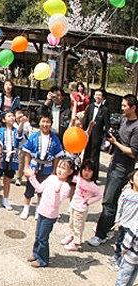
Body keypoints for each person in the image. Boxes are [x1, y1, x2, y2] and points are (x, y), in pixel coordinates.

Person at [88, 94, 138, 247]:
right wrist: (113, 137)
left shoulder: (136, 127)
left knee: (109, 201)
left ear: (133, 108)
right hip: (114, 164)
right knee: (110, 198)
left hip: (123, 169)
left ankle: (100, 235)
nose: (122, 108)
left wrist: (116, 143)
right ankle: (108, 226)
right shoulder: (124, 120)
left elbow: (133, 152)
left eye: (124, 106)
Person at [25, 157, 74, 267]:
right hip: (41, 211)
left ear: (70, 172)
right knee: (38, 235)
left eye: (64, 168)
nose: (60, 170)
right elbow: (39, 189)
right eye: (59, 167)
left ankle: (43, 260)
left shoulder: (65, 187)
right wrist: (32, 177)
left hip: (50, 215)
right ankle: (36, 253)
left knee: (43, 237)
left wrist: (57, 192)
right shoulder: (52, 178)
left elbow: (56, 203)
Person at [20, 111, 64, 220]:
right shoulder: (33, 136)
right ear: (39, 123)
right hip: (34, 167)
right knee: (29, 189)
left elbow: (57, 156)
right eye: (43, 121)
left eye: (48, 122)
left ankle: (38, 210)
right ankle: (26, 208)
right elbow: (27, 153)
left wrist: (54, 172)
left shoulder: (55, 139)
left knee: (43, 192)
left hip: (47, 169)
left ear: (51, 123)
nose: (45, 124)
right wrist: (26, 167)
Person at [60, 159, 102, 251]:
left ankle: (76, 242)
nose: (86, 172)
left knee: (78, 226)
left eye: (89, 170)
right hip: (74, 205)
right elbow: (71, 177)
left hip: (81, 209)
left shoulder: (92, 186)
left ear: (93, 173)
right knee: (71, 223)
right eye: (84, 169)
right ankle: (71, 236)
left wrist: (89, 201)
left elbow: (100, 195)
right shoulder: (79, 179)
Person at [0, 111, 25, 211]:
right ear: (4, 119)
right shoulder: (0, 131)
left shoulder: (16, 130)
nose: (12, 118)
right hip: (2, 156)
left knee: (7, 180)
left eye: (13, 116)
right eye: (9, 116)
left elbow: (20, 136)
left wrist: (22, 123)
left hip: (12, 157)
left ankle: (6, 199)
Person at [103, 214, 138, 286]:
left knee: (123, 278)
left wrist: (123, 249)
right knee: (132, 277)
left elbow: (128, 240)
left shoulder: (136, 224)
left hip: (131, 256)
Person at [107, 169, 138, 270]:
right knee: (119, 242)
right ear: (132, 180)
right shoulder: (126, 193)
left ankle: (120, 262)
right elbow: (119, 207)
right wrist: (117, 221)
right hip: (123, 224)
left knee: (128, 245)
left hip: (133, 227)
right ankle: (116, 257)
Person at [83, 89, 110, 182]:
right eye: (96, 95)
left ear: (102, 98)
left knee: (94, 156)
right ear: (94, 96)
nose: (97, 96)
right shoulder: (90, 106)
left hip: (97, 135)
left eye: (99, 95)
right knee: (86, 154)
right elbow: (86, 120)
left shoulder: (105, 110)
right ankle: (83, 173)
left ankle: (93, 177)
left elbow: (107, 124)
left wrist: (106, 136)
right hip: (88, 133)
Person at [13, 109, 33, 186]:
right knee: (18, 163)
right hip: (16, 146)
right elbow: (18, 132)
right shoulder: (14, 124)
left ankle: (23, 178)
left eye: (22, 113)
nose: (21, 115)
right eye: (18, 113)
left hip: (25, 146)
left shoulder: (27, 123)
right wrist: (22, 123)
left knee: (24, 162)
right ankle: (17, 177)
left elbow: (30, 131)